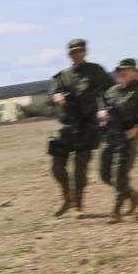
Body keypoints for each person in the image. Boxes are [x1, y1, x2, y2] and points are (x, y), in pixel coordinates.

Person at [48, 39, 112, 217]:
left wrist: (103, 108)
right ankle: (67, 197)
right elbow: (50, 96)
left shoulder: (95, 71)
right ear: (69, 55)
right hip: (66, 127)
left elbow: (111, 90)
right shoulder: (62, 76)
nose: (77, 54)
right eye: (73, 52)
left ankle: (78, 205)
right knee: (56, 166)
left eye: (80, 51)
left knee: (80, 167)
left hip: (87, 126)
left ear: (85, 52)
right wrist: (56, 96)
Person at [98, 58, 138, 221]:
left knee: (120, 174)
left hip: (128, 137)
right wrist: (102, 113)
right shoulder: (111, 91)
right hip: (110, 136)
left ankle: (117, 212)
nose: (122, 72)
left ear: (134, 72)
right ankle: (134, 195)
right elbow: (104, 107)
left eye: (126, 69)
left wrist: (137, 128)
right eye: (120, 70)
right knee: (104, 175)